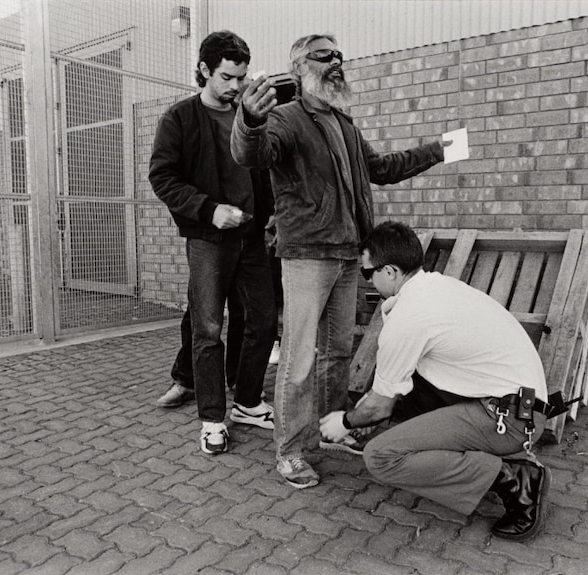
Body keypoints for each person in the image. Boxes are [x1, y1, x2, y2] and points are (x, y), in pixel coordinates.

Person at [231, 33, 447, 489]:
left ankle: (331, 430)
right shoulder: (286, 119)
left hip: (349, 255)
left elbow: (383, 168)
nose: (336, 62)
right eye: (323, 55)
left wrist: (439, 150)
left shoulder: (344, 123)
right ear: (298, 69)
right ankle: (290, 451)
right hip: (309, 256)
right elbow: (253, 152)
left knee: (337, 353)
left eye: (339, 55)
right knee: (299, 361)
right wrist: (249, 119)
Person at [319, 221, 551, 541]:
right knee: (412, 396)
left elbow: (379, 407)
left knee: (381, 456)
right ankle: (498, 462)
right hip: (518, 407)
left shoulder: (409, 318)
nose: (368, 281)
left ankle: (515, 478)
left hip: (508, 420)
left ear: (390, 271)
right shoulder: (439, 289)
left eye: (367, 273)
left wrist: (344, 422)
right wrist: (378, 406)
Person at [149, 30, 276, 455]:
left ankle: (247, 402)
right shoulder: (179, 118)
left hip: (253, 239)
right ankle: (212, 419)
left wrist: (271, 212)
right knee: (207, 329)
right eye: (226, 77)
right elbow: (162, 177)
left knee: (262, 321)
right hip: (208, 240)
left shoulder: (247, 114)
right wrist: (209, 209)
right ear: (204, 70)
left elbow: (266, 168)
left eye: (240, 77)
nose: (235, 86)